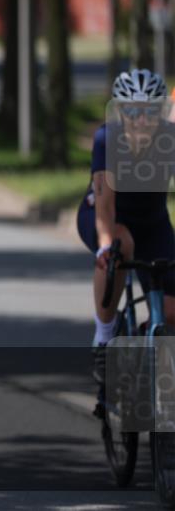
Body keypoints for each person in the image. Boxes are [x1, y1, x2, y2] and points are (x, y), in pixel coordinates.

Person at [78, 68, 175, 383]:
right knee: (121, 245)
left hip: (153, 223)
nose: (141, 119)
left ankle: (148, 338)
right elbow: (105, 203)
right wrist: (105, 245)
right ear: (120, 111)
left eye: (149, 111)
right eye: (133, 110)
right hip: (109, 217)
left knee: (172, 311)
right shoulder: (108, 139)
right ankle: (104, 337)